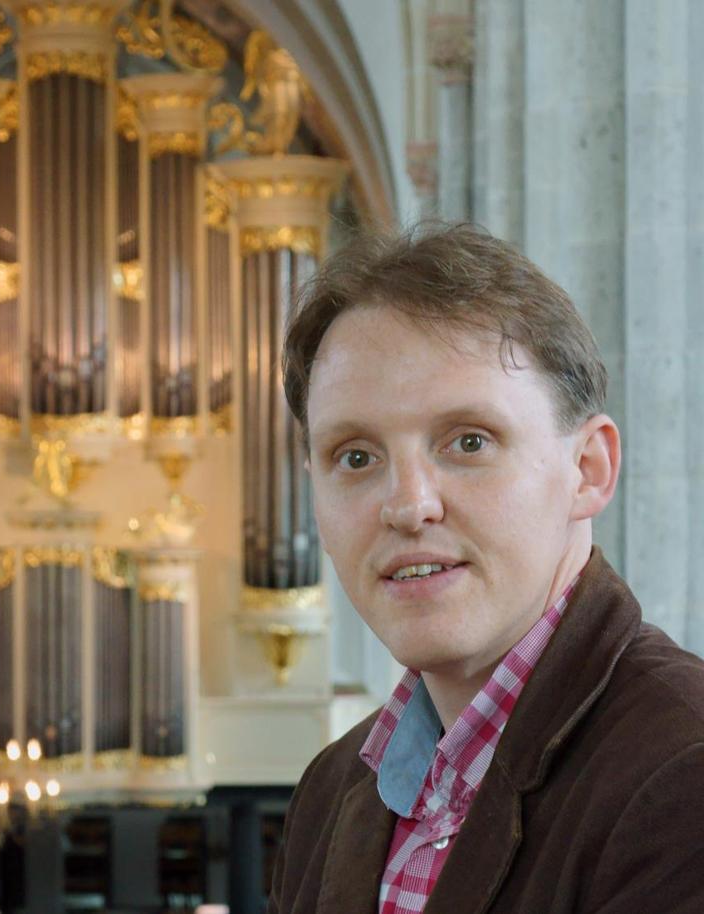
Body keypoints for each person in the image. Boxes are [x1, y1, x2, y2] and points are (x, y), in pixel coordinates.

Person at [270, 223, 704, 913]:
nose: (408, 506)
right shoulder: (329, 792)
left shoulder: (684, 772)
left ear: (588, 470)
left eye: (468, 441)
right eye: (355, 457)